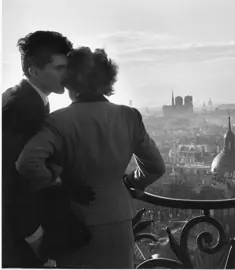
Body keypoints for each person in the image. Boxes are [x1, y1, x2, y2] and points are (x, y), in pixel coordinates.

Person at [16, 46, 166, 268]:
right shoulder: (128, 116)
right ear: (108, 81)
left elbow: (27, 163)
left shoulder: (59, 121)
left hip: (75, 221)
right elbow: (155, 166)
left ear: (69, 81)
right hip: (119, 218)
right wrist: (129, 182)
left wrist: (58, 181)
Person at [2, 30, 73, 268]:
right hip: (20, 238)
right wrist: (36, 239)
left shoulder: (17, 98)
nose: (67, 74)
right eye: (59, 68)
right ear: (34, 70)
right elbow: (15, 179)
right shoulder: (24, 109)